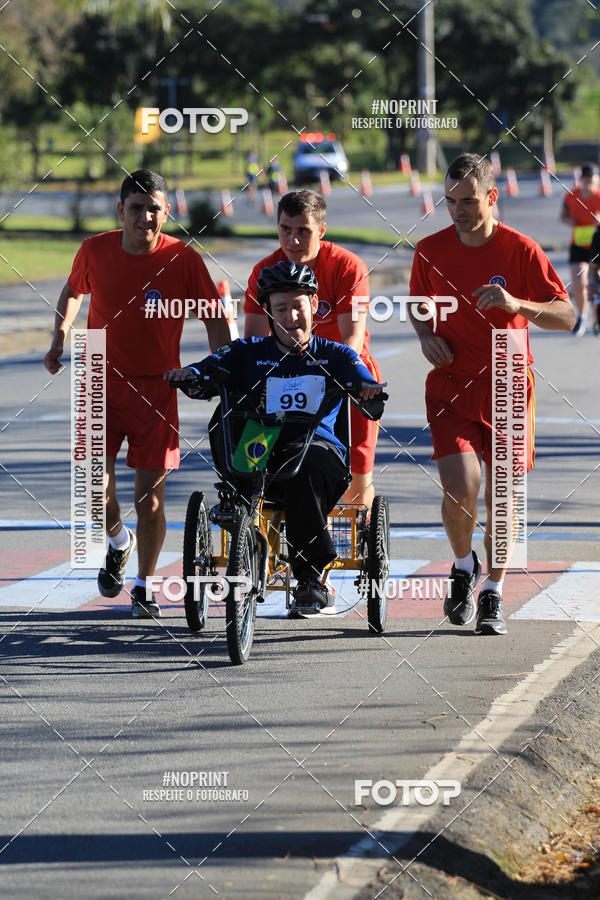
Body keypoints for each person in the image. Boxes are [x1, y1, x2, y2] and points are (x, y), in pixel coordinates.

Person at [44, 169, 231, 618]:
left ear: (166, 212)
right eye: (137, 208)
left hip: (156, 385)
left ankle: (145, 586)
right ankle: (116, 540)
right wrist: (60, 337)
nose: (146, 217)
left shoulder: (183, 259)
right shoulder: (95, 250)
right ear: (120, 211)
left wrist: (222, 370)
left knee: (149, 500)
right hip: (98, 375)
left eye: (154, 209)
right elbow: (73, 290)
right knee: (92, 487)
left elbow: (214, 316)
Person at [409, 153, 574, 636]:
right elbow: (418, 305)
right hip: (451, 384)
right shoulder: (429, 251)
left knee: (503, 501)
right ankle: (463, 568)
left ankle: (494, 593)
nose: (458, 210)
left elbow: (566, 316)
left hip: (506, 377)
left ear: (492, 197)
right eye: (450, 201)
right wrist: (424, 334)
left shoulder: (521, 250)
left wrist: (516, 302)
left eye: (468, 201)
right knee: (461, 492)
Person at [167, 260, 385, 616]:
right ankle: (238, 515)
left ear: (314, 305)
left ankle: (311, 577)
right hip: (262, 449)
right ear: (267, 311)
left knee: (305, 468)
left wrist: (367, 390)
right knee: (233, 430)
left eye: (297, 307)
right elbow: (208, 367)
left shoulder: (336, 355)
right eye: (281, 309)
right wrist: (189, 375)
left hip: (317, 453)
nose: (291, 317)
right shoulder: (247, 352)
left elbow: (360, 376)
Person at [243, 189, 382, 509]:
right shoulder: (265, 270)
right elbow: (252, 340)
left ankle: (355, 522)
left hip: (343, 371)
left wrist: (326, 373)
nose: (292, 241)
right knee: (251, 461)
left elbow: (353, 338)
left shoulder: (348, 267)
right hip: (282, 373)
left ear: (321, 230)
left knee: (356, 475)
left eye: (302, 231)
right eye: (285, 230)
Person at [559, 163, 600, 335]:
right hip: (579, 244)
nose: (589, 183)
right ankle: (582, 316)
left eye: (592, 179)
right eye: (585, 179)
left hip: (598, 243)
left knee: (596, 282)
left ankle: (597, 322)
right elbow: (562, 217)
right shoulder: (571, 196)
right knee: (579, 279)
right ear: (580, 180)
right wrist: (571, 222)